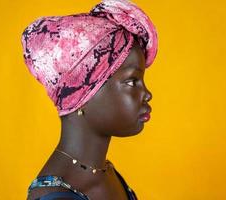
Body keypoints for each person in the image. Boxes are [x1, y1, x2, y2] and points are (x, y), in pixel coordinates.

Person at [21, 0, 158, 199]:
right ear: (83, 95)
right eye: (131, 81)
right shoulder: (57, 196)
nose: (147, 94)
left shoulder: (104, 171)